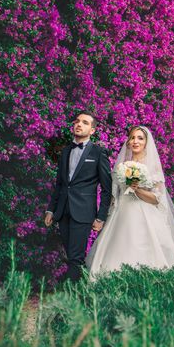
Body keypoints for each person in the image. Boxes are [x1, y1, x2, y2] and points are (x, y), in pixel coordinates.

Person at [85, 126, 174, 279]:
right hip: (121, 213)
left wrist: (136, 189)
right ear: (128, 142)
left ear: (146, 142)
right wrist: (104, 216)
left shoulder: (153, 166)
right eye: (132, 138)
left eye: (140, 138)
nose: (135, 141)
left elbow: (157, 199)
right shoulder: (121, 165)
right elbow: (114, 195)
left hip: (144, 214)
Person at [45, 112, 112, 281]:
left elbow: (106, 188)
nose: (79, 124)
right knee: (71, 254)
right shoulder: (66, 151)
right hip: (63, 210)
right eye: (77, 121)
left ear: (92, 130)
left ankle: (72, 297)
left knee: (75, 256)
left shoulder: (98, 152)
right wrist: (51, 210)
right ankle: (81, 289)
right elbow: (60, 183)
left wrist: (101, 217)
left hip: (83, 212)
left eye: (85, 122)